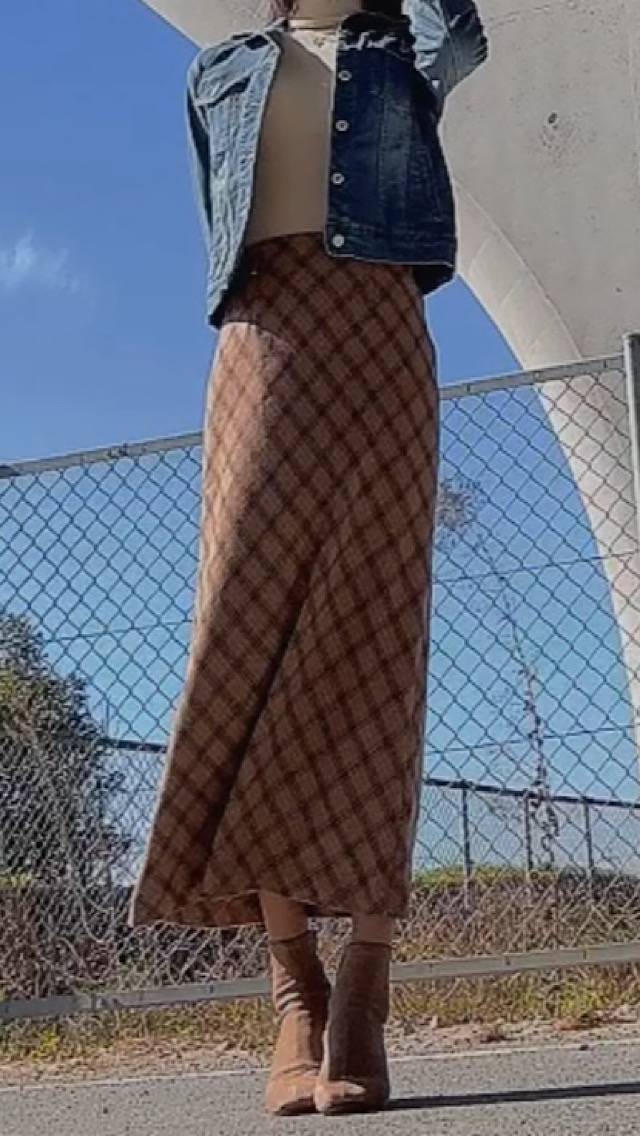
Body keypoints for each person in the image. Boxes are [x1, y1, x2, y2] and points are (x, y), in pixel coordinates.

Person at [128, 0, 488, 1117]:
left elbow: (462, 29)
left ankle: (362, 991)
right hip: (263, 338)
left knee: (379, 636)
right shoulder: (223, 69)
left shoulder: (411, 52)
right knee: (244, 634)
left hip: (378, 332)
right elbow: (221, 218)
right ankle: (294, 985)